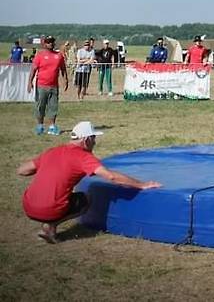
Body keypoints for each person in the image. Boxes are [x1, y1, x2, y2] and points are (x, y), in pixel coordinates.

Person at [17, 121, 162, 244]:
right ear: (86, 140)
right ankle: (51, 225)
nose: (95, 142)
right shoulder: (83, 157)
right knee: (86, 199)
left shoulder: (53, 151)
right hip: (48, 209)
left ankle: (48, 222)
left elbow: (22, 170)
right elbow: (111, 177)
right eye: (93, 138)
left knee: (65, 195)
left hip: (28, 207)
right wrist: (142, 185)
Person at [28, 36, 68, 136]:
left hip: (54, 86)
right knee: (40, 106)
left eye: (52, 42)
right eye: (48, 42)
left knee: (53, 107)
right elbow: (33, 69)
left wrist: (65, 80)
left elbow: (63, 69)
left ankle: (52, 127)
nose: (50, 44)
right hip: (41, 86)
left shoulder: (59, 56)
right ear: (45, 44)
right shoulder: (40, 55)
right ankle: (40, 126)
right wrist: (29, 82)